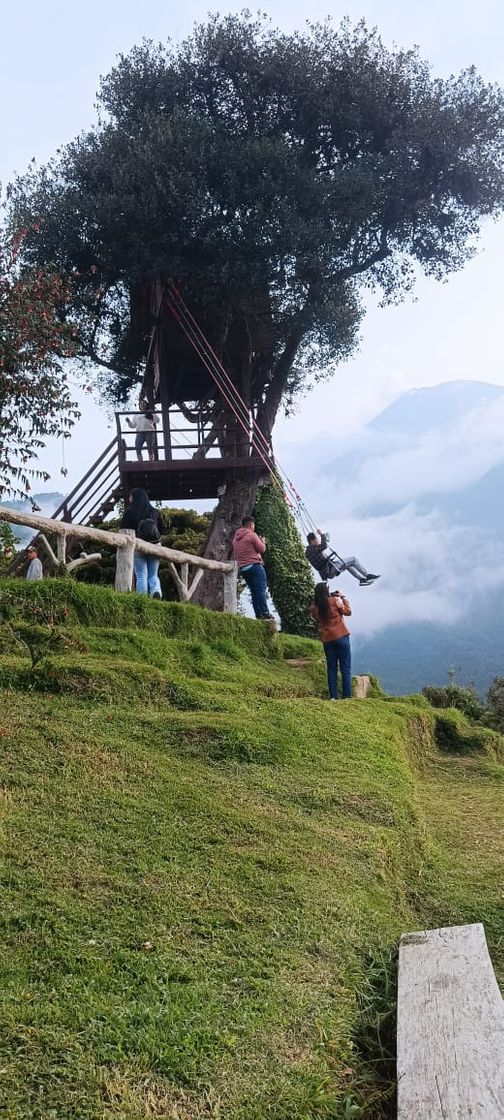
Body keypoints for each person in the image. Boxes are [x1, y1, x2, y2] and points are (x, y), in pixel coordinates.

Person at [310, 582, 352, 700]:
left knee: (332, 668)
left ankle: (333, 696)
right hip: (341, 636)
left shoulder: (314, 607)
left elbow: (317, 620)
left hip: (327, 639)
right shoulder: (334, 601)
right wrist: (342, 598)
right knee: (345, 667)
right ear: (326, 591)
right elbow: (348, 612)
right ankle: (347, 696)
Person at [120, 487, 163, 598]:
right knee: (153, 574)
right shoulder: (155, 512)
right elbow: (162, 529)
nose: (129, 498)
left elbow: (123, 529)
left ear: (134, 497)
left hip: (138, 545)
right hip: (155, 545)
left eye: (130, 496)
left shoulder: (129, 512)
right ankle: (155, 591)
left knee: (141, 574)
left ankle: (142, 598)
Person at [232, 515, 274, 620]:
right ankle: (264, 612)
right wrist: (262, 541)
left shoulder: (236, 538)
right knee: (260, 590)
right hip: (255, 566)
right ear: (251, 525)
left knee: (254, 591)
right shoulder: (252, 534)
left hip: (244, 568)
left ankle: (258, 614)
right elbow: (262, 549)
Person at [305, 530, 379, 587]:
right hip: (330, 568)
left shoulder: (308, 552)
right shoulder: (313, 549)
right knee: (354, 559)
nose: (318, 541)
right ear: (312, 541)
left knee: (348, 565)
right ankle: (367, 575)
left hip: (326, 572)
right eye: (317, 539)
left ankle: (361, 579)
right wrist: (321, 534)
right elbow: (324, 546)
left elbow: (320, 552)